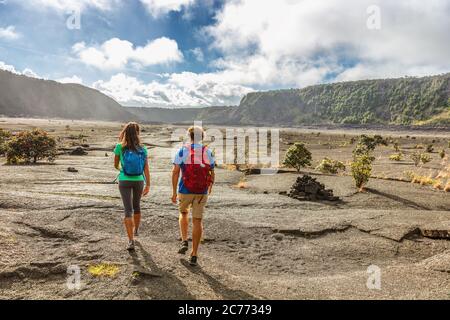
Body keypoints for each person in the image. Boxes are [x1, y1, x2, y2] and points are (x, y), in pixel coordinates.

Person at [171, 126, 215, 266]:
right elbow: (212, 172)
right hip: (201, 191)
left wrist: (173, 191)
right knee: (197, 221)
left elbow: (175, 171)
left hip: (184, 190)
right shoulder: (208, 152)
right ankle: (194, 254)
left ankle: (184, 240)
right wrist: (209, 187)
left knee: (183, 214)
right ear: (202, 137)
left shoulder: (183, 150)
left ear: (189, 136)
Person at [114, 122, 150, 251]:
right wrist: (148, 184)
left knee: (128, 209)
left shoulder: (119, 147)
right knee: (137, 206)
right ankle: (136, 231)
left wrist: (123, 170)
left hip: (124, 180)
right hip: (139, 180)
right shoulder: (143, 149)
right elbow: (146, 169)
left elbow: (115, 164)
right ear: (137, 133)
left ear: (125, 132)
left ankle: (130, 241)